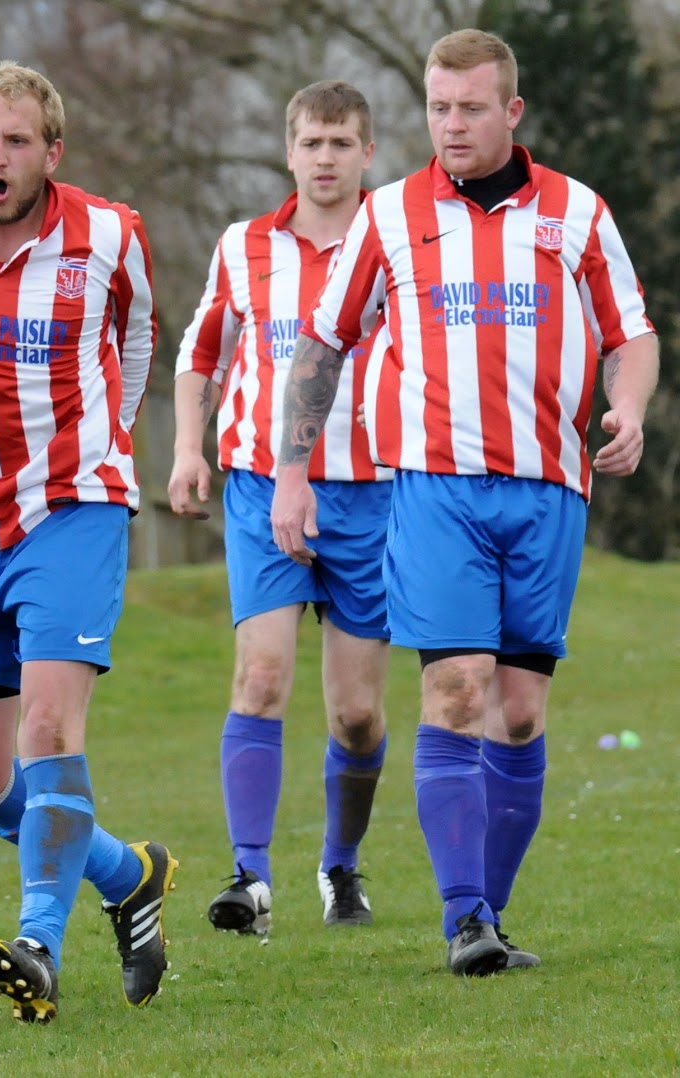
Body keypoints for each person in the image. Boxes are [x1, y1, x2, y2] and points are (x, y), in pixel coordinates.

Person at [270, 29, 658, 976]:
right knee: (456, 691)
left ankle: (489, 909)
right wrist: (291, 469)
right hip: (436, 489)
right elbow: (323, 346)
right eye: (439, 108)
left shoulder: (576, 211)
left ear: (510, 111)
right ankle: (465, 924)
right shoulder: (392, 214)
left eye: (470, 108)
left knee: (519, 713)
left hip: (549, 493)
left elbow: (632, 333)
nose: (450, 123)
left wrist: (630, 406)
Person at [0, 62, 171, 1024]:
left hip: (73, 500)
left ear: (52, 152)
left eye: (16, 141)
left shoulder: (109, 233)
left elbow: (134, 340)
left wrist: (108, 444)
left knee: (49, 728)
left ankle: (39, 942)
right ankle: (129, 874)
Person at [169, 81, 389, 937]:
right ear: (289, 151)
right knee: (260, 678)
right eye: (312, 143)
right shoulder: (243, 246)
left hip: (369, 494)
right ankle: (248, 878)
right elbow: (201, 353)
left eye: (342, 143)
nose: (325, 158)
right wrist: (191, 448)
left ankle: (341, 866)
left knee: (357, 714)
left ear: (367, 153)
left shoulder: (399, 241)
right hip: (262, 484)